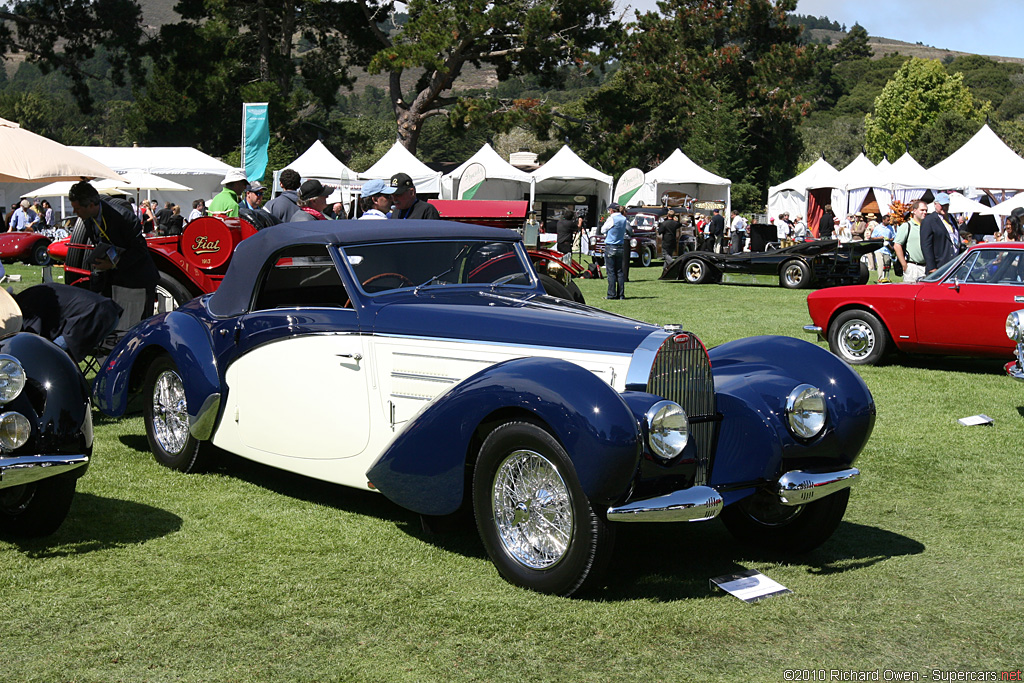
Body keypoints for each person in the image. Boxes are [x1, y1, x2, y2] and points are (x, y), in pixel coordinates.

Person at [68, 180, 160, 326]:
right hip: (114, 281)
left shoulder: (123, 218)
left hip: (136, 281)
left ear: (91, 205)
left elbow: (140, 250)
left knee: (133, 327)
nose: (74, 212)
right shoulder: (88, 218)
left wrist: (114, 263)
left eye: (77, 208)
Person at [15, 283, 123, 362]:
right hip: (106, 313)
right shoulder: (31, 294)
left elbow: (32, 338)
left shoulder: (27, 306)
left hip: (94, 317)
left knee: (47, 355)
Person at [921, 192, 962, 273]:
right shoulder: (929, 220)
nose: (944, 207)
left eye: (946, 205)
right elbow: (926, 245)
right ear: (935, 204)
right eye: (941, 205)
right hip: (939, 265)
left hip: (954, 262)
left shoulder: (951, 218)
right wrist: (931, 267)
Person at [601, 204, 632, 299]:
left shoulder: (611, 219)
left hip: (611, 245)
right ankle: (621, 294)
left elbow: (603, 230)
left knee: (611, 272)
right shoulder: (624, 219)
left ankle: (611, 294)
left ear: (611, 210)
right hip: (620, 246)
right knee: (619, 271)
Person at [894, 199, 928, 283]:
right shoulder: (907, 226)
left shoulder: (927, 227)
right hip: (913, 267)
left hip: (926, 267)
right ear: (914, 211)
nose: (924, 212)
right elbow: (897, 245)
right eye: (922, 210)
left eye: (926, 210)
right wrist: (904, 265)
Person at [870, 214, 897, 283]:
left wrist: (890, 239)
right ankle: (880, 278)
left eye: (889, 220)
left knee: (887, 263)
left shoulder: (890, 228)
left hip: (887, 249)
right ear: (883, 220)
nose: (889, 222)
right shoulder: (878, 228)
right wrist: (880, 238)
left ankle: (886, 277)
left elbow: (893, 237)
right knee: (880, 264)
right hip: (879, 249)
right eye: (887, 220)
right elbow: (872, 237)